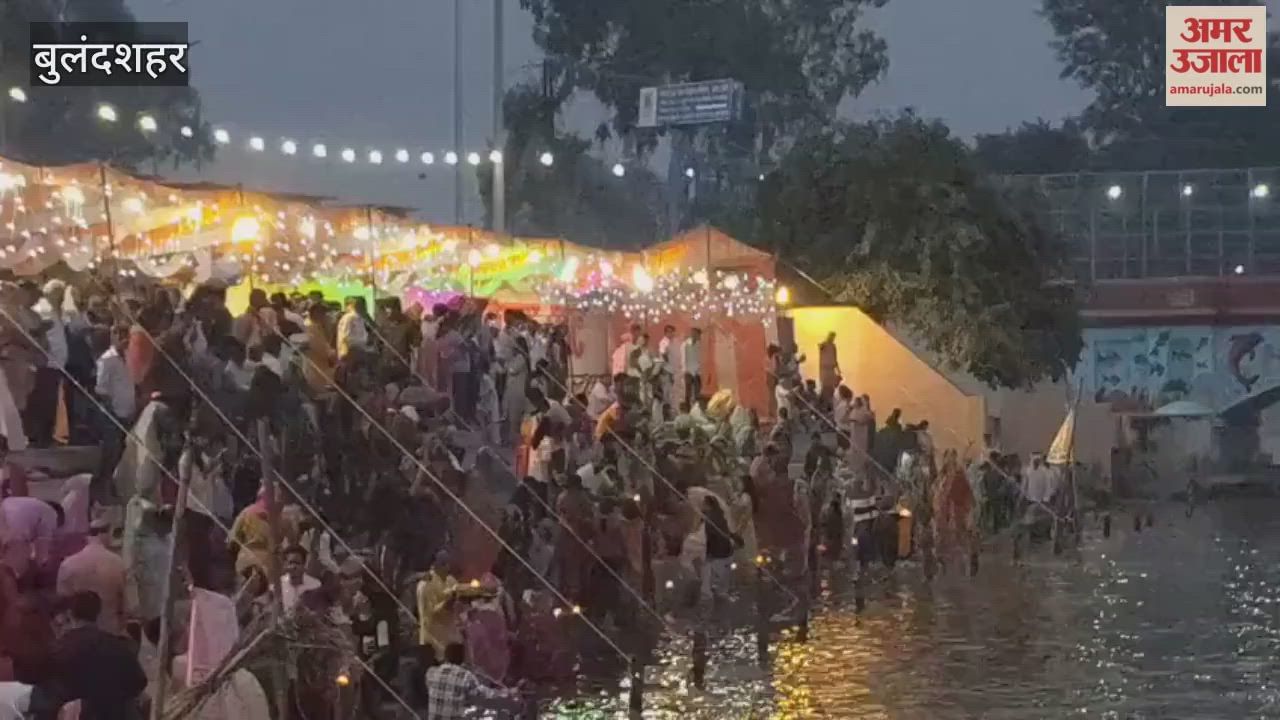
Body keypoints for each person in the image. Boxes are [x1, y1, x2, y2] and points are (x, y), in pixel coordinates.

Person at [48, 591, 148, 720]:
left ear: (70, 614)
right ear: (98, 613)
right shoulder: (117, 646)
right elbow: (138, 682)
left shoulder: (58, 650)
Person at [55, 516, 126, 636]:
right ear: (106, 534)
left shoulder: (68, 564)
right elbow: (124, 604)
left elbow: (61, 601)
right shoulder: (117, 563)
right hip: (109, 632)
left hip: (76, 632)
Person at [25, 280, 69, 448]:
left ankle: (47, 434)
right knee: (43, 401)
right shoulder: (43, 309)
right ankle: (39, 436)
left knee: (51, 402)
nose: (61, 297)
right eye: (58, 293)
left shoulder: (55, 310)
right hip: (46, 362)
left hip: (56, 363)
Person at [93, 325, 135, 498]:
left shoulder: (130, 357)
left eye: (126, 335)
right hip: (112, 414)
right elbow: (102, 390)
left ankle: (119, 488)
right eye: (120, 335)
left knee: (124, 454)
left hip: (129, 412)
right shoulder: (107, 359)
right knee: (111, 452)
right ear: (113, 336)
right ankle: (102, 488)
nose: (123, 339)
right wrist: (111, 413)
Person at [424, 642, 514, 720]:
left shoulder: (431, 672)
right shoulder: (465, 676)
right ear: (463, 658)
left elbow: (439, 692)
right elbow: (484, 694)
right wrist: (505, 692)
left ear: (446, 656)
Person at [0, 495, 61, 586]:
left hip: (4, 512)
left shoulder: (33, 504)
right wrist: (40, 564)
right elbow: (43, 544)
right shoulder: (52, 514)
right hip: (16, 530)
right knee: (16, 569)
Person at [416, 550, 460, 656]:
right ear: (434, 565)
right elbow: (430, 613)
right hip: (433, 641)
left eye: (448, 563)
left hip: (449, 638)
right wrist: (448, 602)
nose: (447, 567)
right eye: (443, 564)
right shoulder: (425, 585)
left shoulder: (451, 580)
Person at [302, 303, 336, 394]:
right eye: (325, 314)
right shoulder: (312, 328)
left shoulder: (317, 327)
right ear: (317, 314)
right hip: (317, 372)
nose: (327, 317)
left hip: (320, 369)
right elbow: (325, 353)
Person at [279, 545, 320, 613]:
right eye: (291, 563)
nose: (293, 567)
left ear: (304, 565)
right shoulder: (279, 585)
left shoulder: (315, 585)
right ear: (285, 565)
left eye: (297, 563)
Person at [817, 332, 840, 410]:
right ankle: (823, 404)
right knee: (825, 387)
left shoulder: (833, 346)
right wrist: (822, 345)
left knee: (831, 387)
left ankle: (829, 404)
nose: (832, 338)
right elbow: (820, 347)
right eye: (831, 336)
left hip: (831, 369)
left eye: (833, 337)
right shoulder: (824, 344)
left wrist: (838, 370)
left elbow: (835, 359)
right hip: (824, 369)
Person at [681, 328, 702, 408]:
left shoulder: (698, 344)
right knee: (688, 392)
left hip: (696, 371)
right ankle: (687, 408)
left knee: (697, 391)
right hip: (688, 371)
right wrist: (685, 370)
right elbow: (683, 358)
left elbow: (699, 358)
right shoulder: (685, 344)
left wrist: (699, 370)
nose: (699, 337)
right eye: (698, 335)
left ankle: (696, 408)